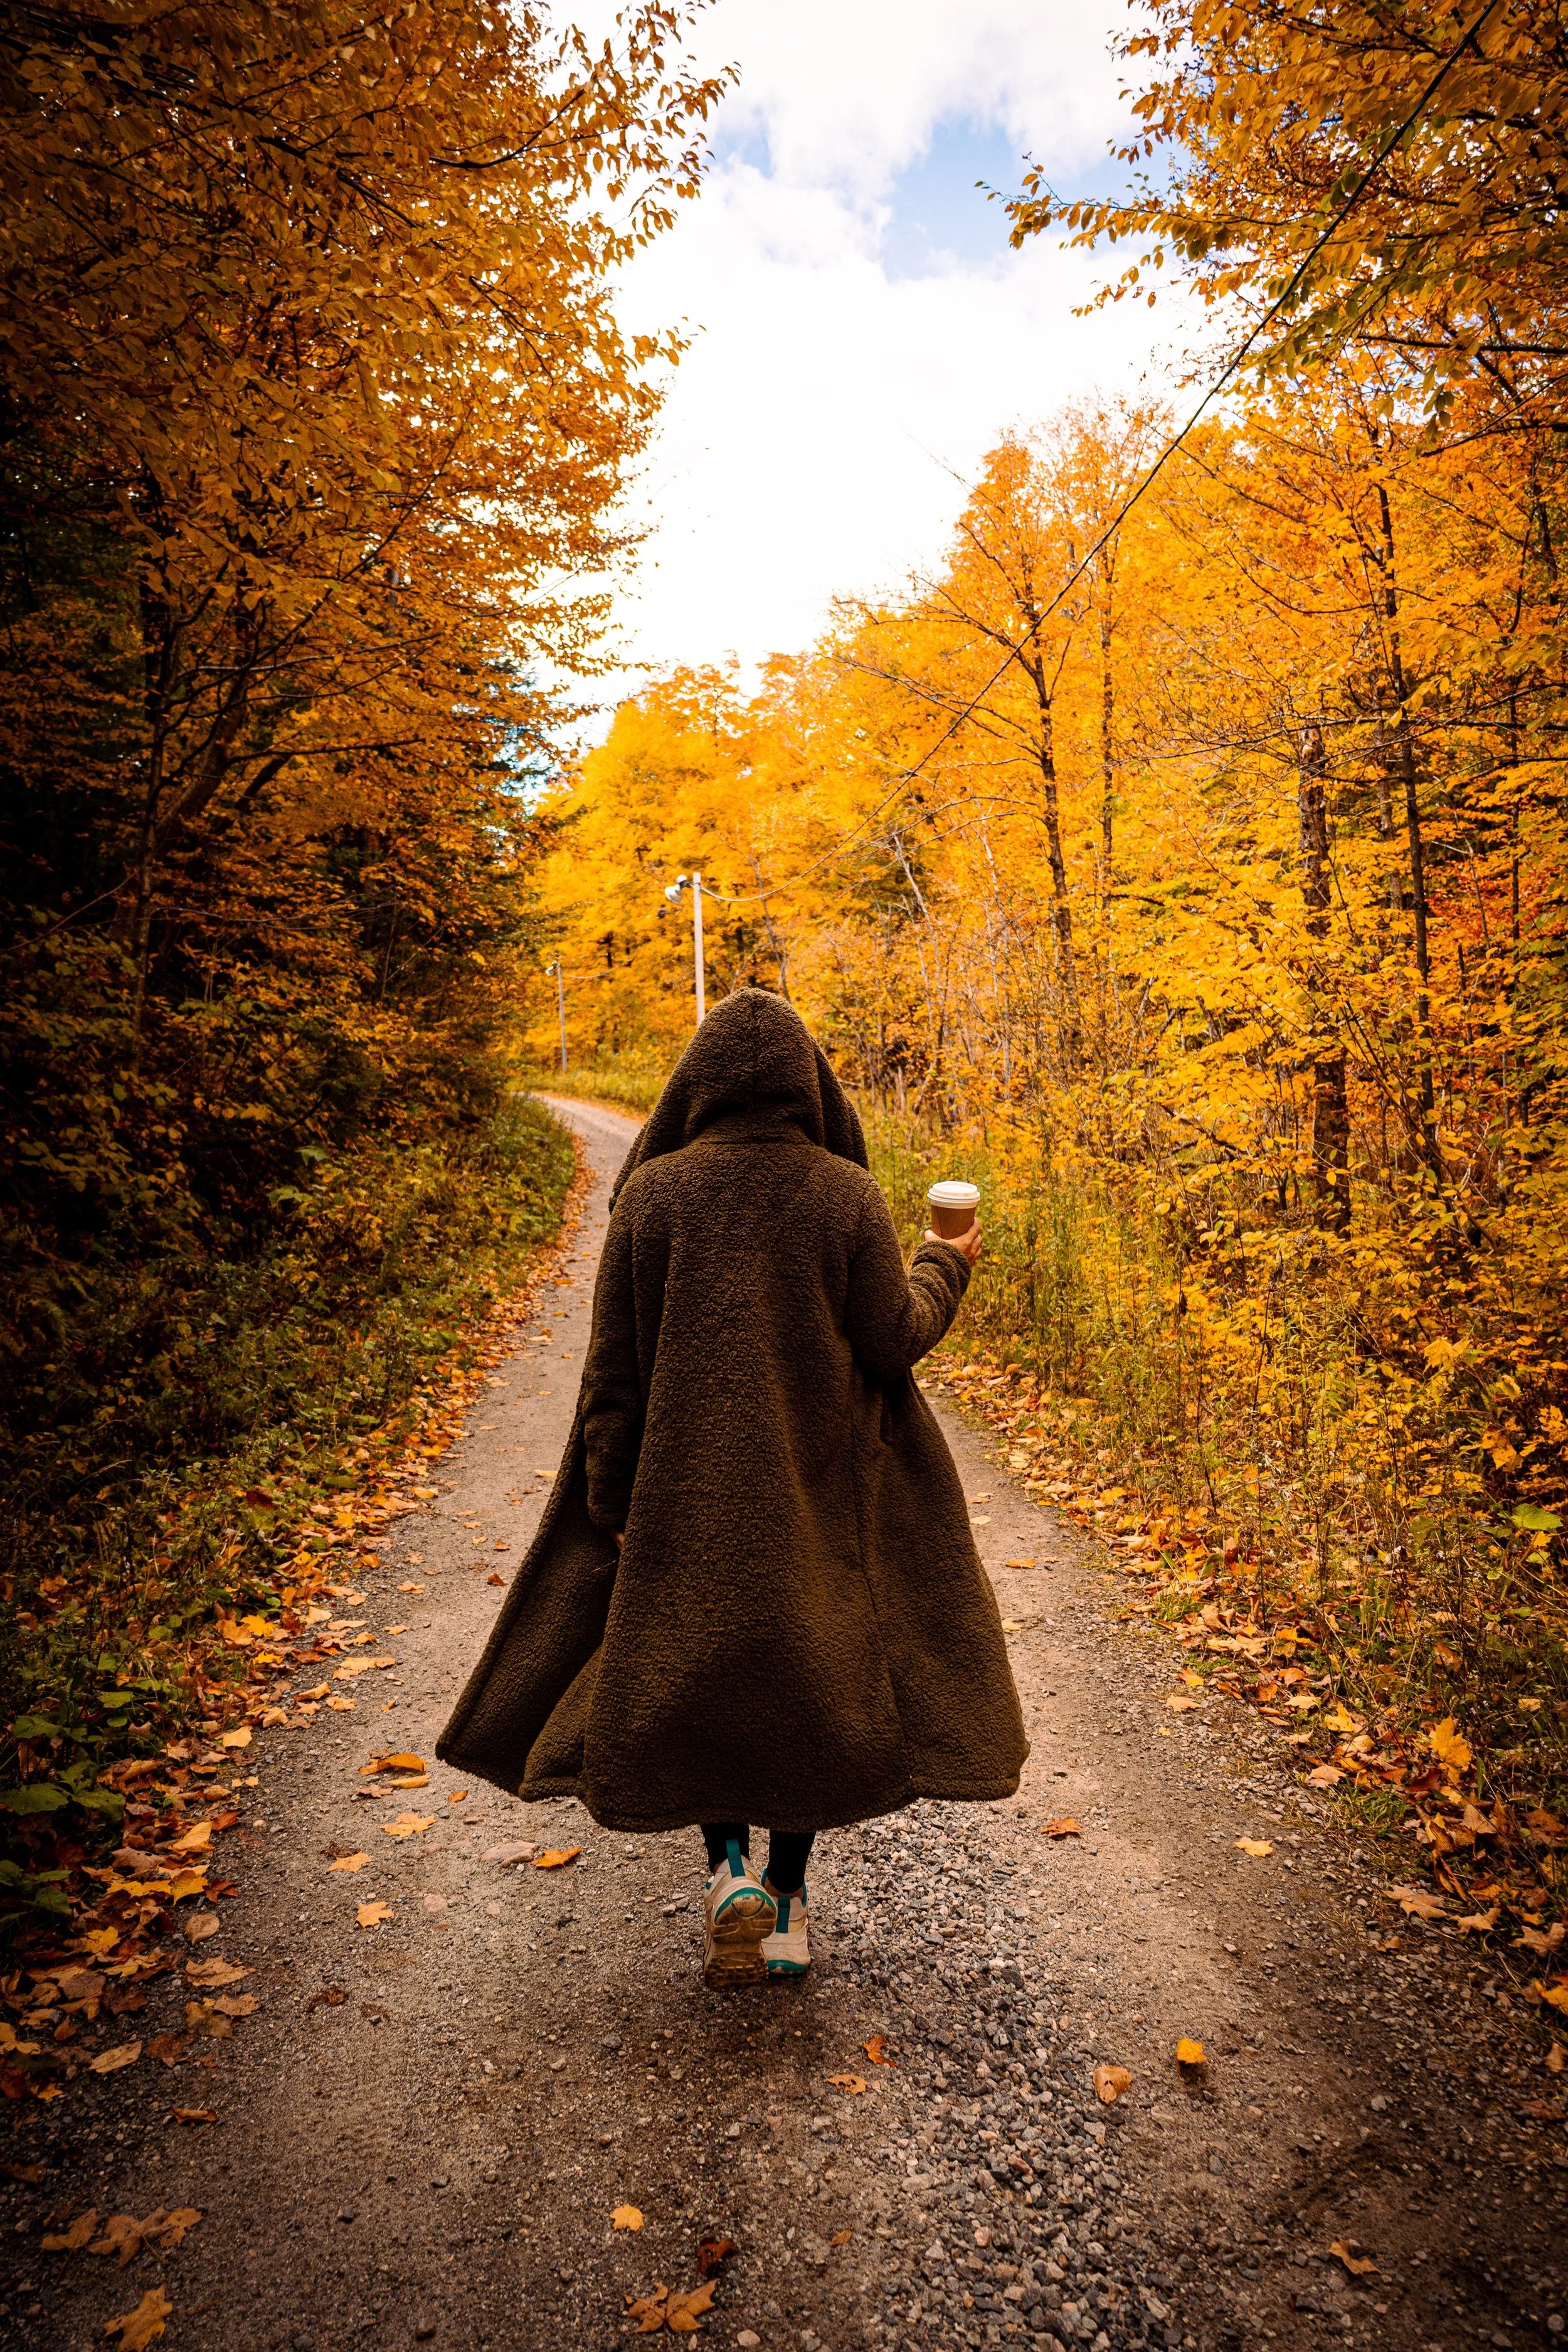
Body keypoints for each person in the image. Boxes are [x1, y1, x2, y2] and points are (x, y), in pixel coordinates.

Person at [438, 987, 1026, 1988]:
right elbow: (891, 1342)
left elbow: (609, 1380)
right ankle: (790, 1908)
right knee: (810, 1692)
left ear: (696, 1087)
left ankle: (726, 1874)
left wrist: (615, 1508)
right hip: (818, 1502)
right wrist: (943, 1261)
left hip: (684, 1508)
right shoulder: (842, 1195)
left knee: (705, 1687)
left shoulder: (652, 1197)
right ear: (806, 1086)